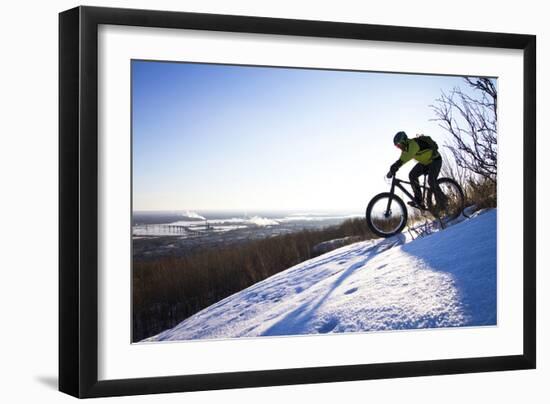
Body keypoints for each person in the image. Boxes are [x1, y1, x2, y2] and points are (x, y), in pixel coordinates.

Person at [387, 131, 446, 210]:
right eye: (397, 146)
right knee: (412, 175)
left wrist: (395, 166)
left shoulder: (412, 144)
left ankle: (443, 201)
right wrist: (391, 171)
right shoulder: (406, 149)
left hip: (435, 160)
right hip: (425, 162)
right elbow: (401, 158)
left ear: (404, 141)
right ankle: (418, 199)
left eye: (399, 145)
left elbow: (404, 159)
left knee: (431, 181)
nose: (399, 147)